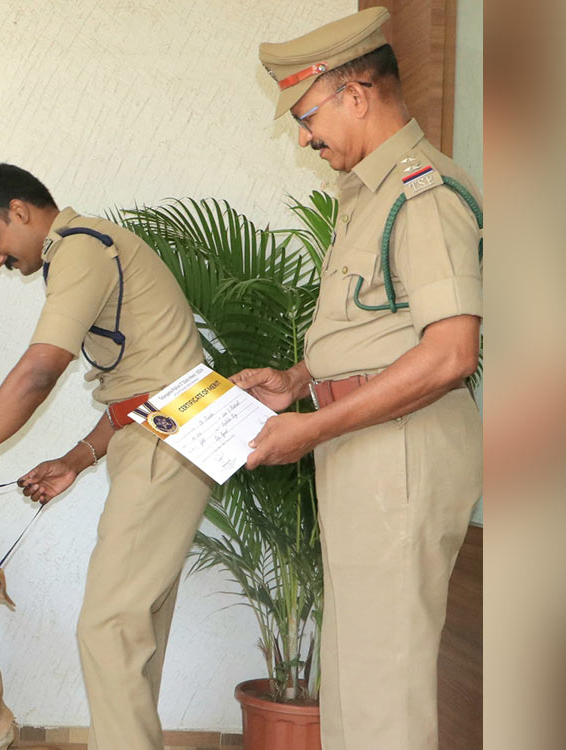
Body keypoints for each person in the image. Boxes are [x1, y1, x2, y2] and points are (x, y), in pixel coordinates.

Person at [236, 8, 482, 750]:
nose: (305, 135)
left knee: (385, 689)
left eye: (307, 115)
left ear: (356, 94)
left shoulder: (422, 192)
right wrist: (297, 379)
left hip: (398, 452)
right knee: (353, 681)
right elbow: (376, 326)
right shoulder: (366, 195)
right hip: (363, 446)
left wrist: (311, 426)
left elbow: (449, 354)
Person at [0, 163, 213, 750]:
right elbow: (145, 386)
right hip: (164, 434)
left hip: (167, 443)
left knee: (108, 629)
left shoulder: (81, 249)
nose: (0, 261)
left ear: (20, 211)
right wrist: (77, 460)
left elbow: (38, 372)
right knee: (134, 635)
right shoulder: (95, 248)